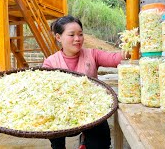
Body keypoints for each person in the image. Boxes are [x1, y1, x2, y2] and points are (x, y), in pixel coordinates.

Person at [42, 15, 127, 149]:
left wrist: (129, 49)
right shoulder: (50, 63)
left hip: (92, 112)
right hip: (63, 114)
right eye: (71, 35)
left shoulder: (92, 54)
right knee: (54, 132)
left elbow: (115, 58)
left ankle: (86, 140)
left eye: (80, 34)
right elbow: (46, 91)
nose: (77, 39)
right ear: (58, 37)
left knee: (101, 144)